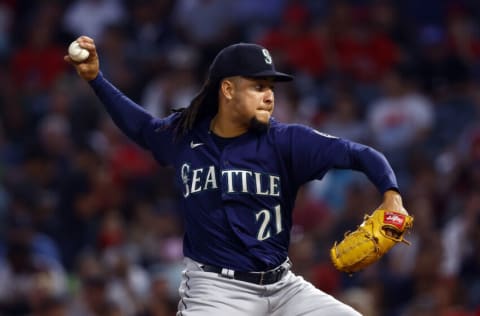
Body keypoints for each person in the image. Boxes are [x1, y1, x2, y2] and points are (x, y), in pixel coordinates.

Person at [65, 35, 409, 316]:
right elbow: (141, 127)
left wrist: (391, 195)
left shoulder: (286, 140)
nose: (270, 95)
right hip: (216, 292)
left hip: (283, 286)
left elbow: (362, 154)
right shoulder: (185, 135)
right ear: (227, 90)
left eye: (272, 86)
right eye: (258, 86)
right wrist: (96, 79)